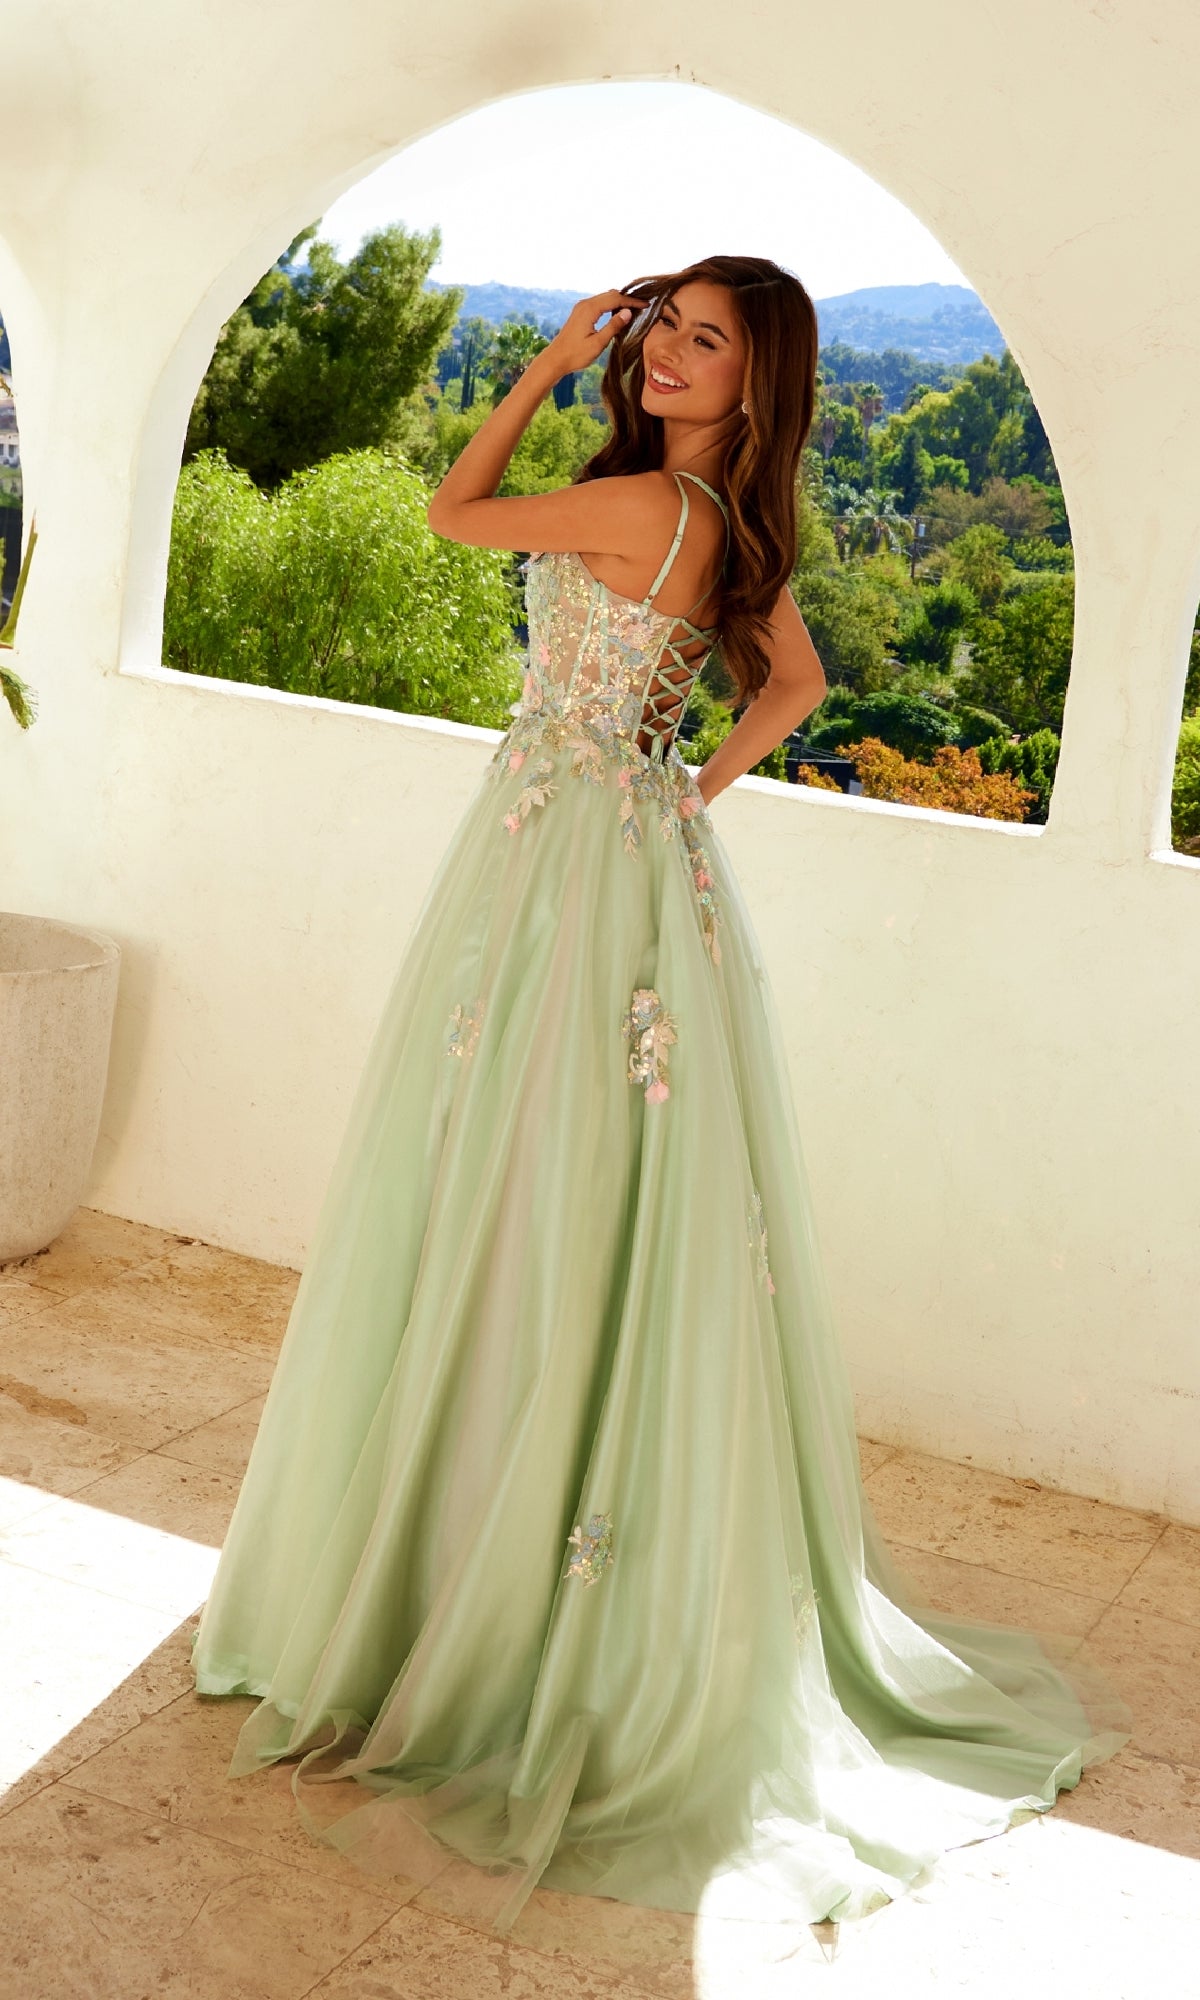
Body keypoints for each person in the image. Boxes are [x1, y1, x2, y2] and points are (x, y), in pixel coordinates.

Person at [191, 255, 1131, 1935]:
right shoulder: (731, 529)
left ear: (756, 382)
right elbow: (798, 687)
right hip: (633, 860)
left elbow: (449, 515)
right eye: (664, 329)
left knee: (511, 1177)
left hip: (558, 865)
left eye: (707, 341)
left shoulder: (640, 502)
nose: (670, 356)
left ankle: (458, 1574)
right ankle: (509, 1547)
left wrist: (548, 364)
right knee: (580, 1189)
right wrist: (683, 788)